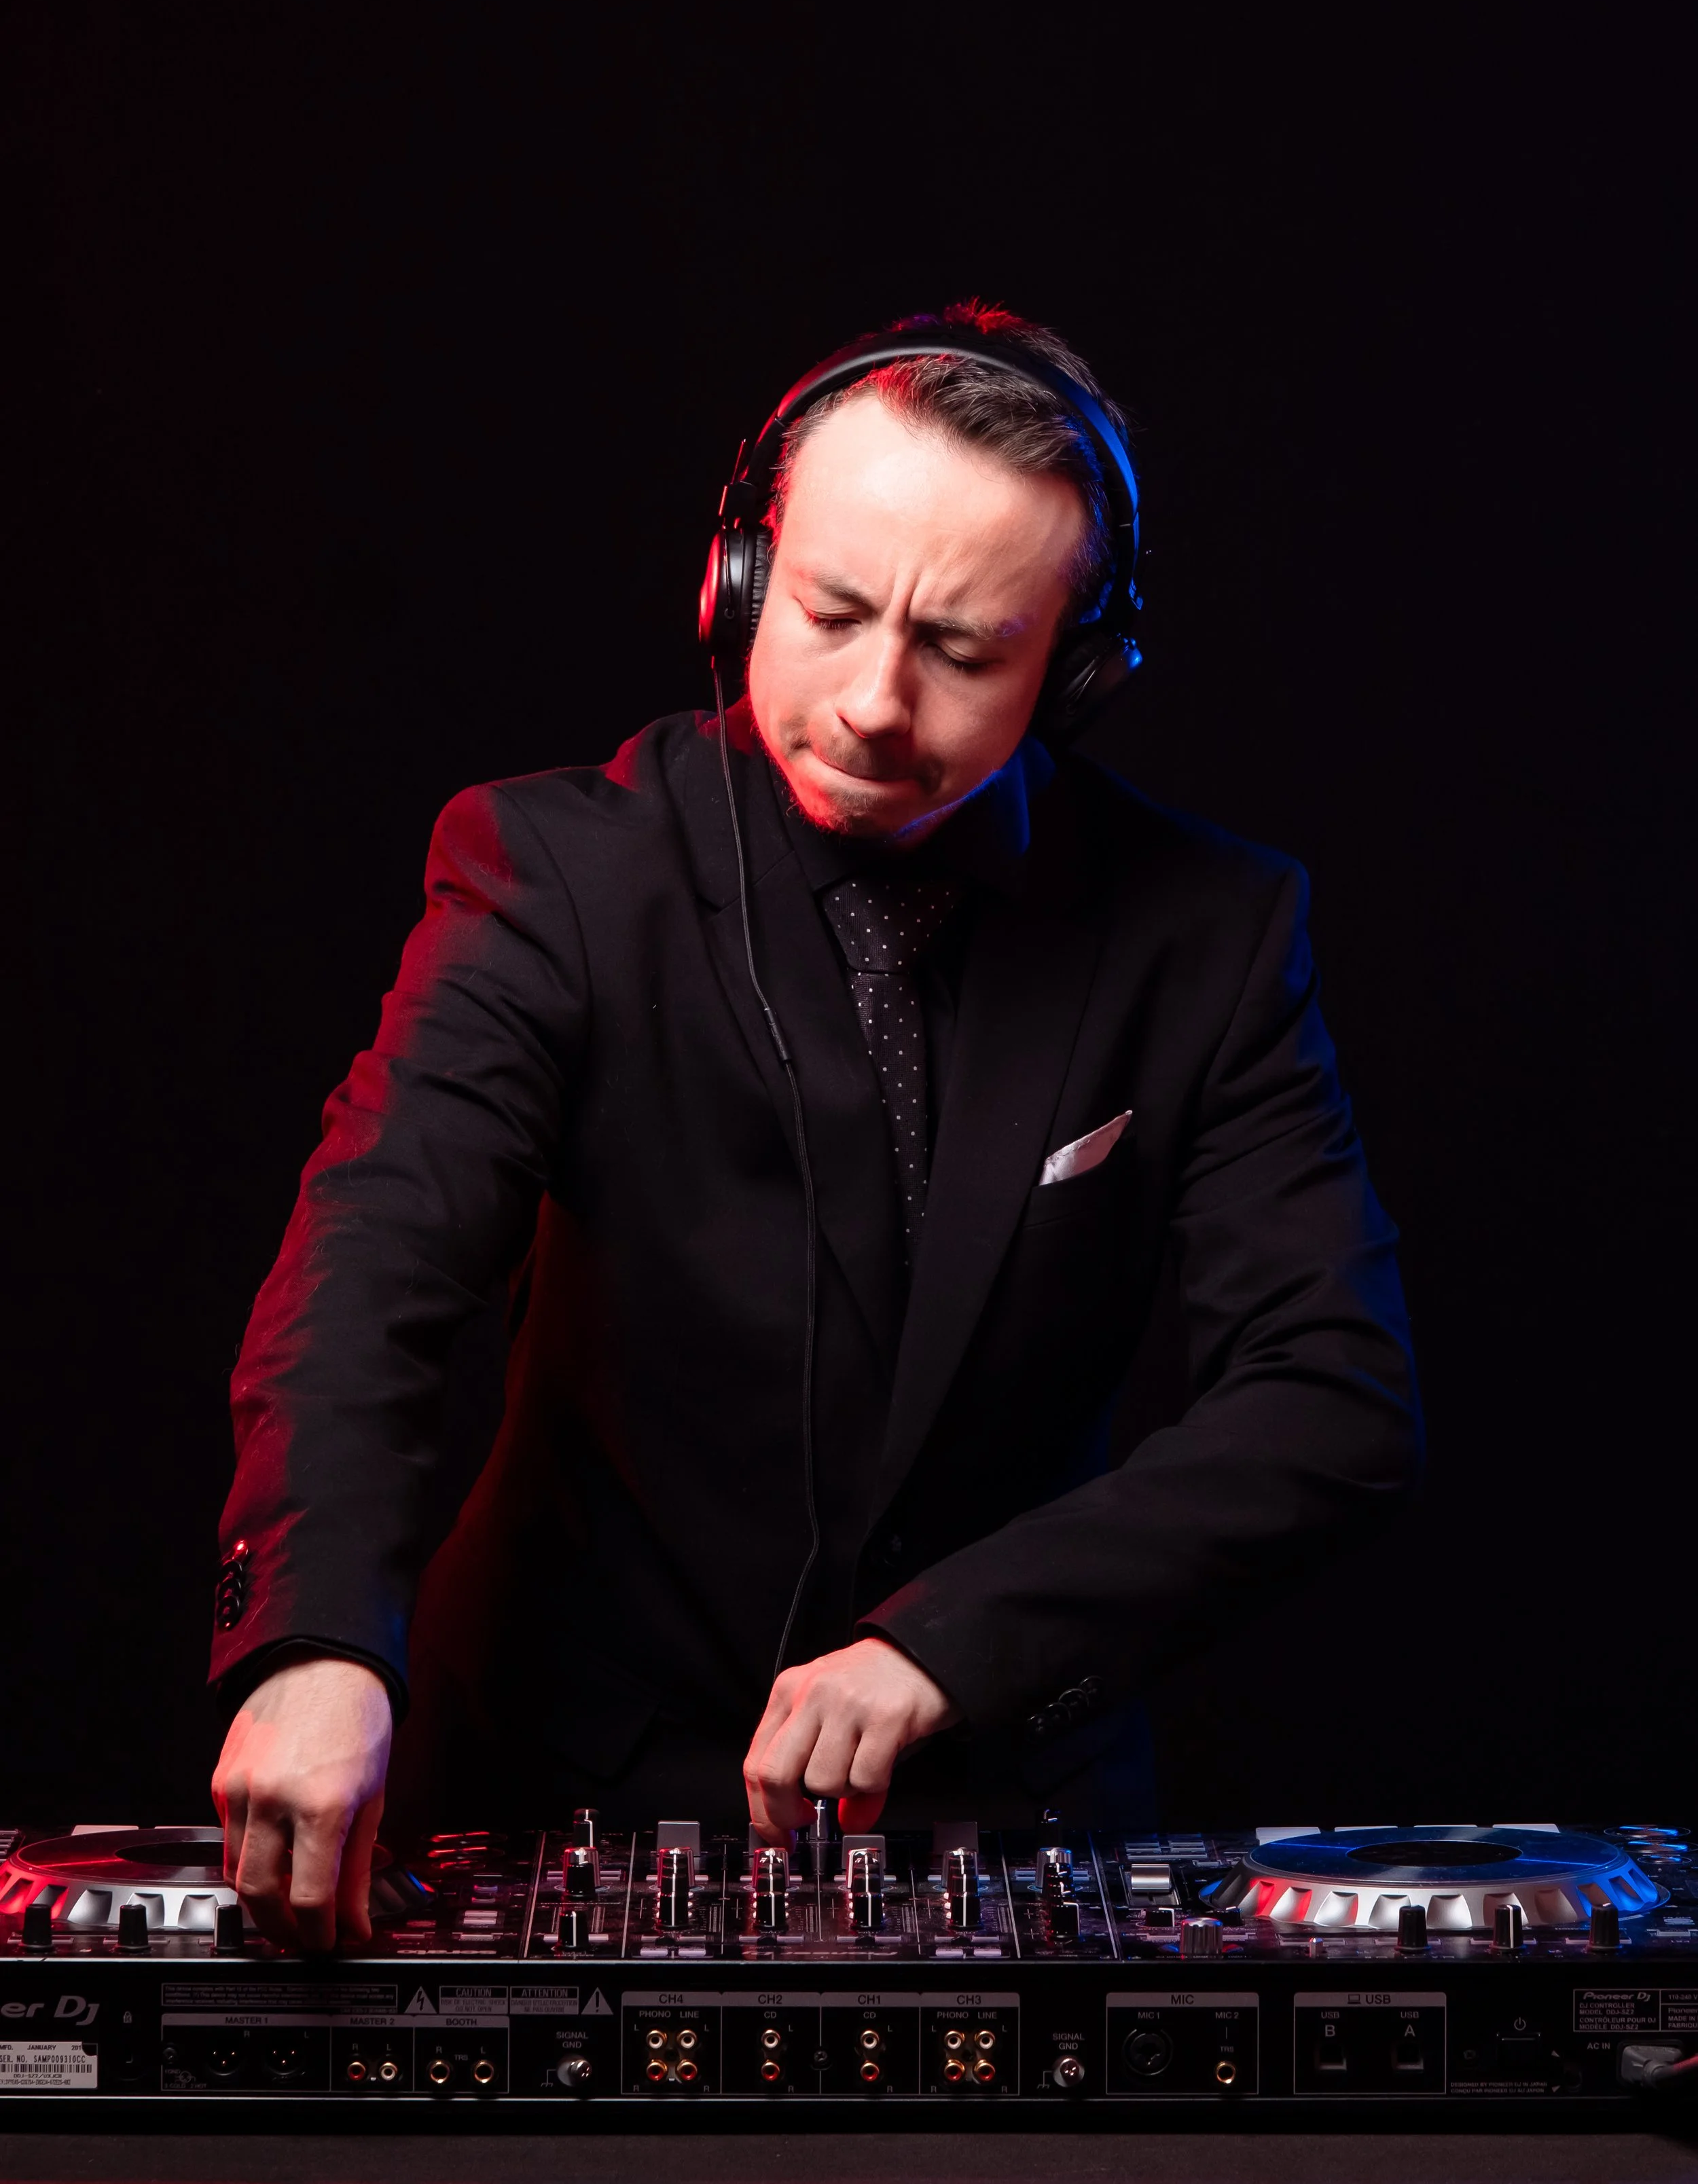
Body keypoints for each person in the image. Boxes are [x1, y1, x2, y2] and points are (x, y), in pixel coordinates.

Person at [210, 304, 1421, 1950]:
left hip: (1009, 1819)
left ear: (1077, 671)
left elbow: (1328, 1396)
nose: (869, 703)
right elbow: (377, 1261)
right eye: (829, 611)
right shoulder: (547, 873)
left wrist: (952, 1641)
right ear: (736, 582)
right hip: (548, 1789)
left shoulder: (1207, 934)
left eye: (965, 651)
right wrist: (316, 1647)